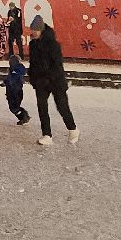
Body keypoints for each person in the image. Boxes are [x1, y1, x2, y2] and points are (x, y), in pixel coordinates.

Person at [27, 15, 78, 146]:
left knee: (62, 106)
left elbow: (57, 65)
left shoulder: (53, 45)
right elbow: (32, 63)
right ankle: (47, 134)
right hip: (40, 82)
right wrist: (33, 78)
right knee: (42, 107)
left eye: (36, 30)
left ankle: (73, 129)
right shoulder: (32, 44)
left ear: (42, 30)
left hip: (55, 81)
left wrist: (49, 78)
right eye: (32, 30)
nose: (33, 32)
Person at [1, 54, 30, 126]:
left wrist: (7, 82)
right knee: (13, 107)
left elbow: (12, 80)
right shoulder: (12, 70)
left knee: (14, 107)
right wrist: (5, 82)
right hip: (11, 91)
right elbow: (9, 78)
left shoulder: (17, 70)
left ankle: (24, 116)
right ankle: (23, 117)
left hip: (15, 91)